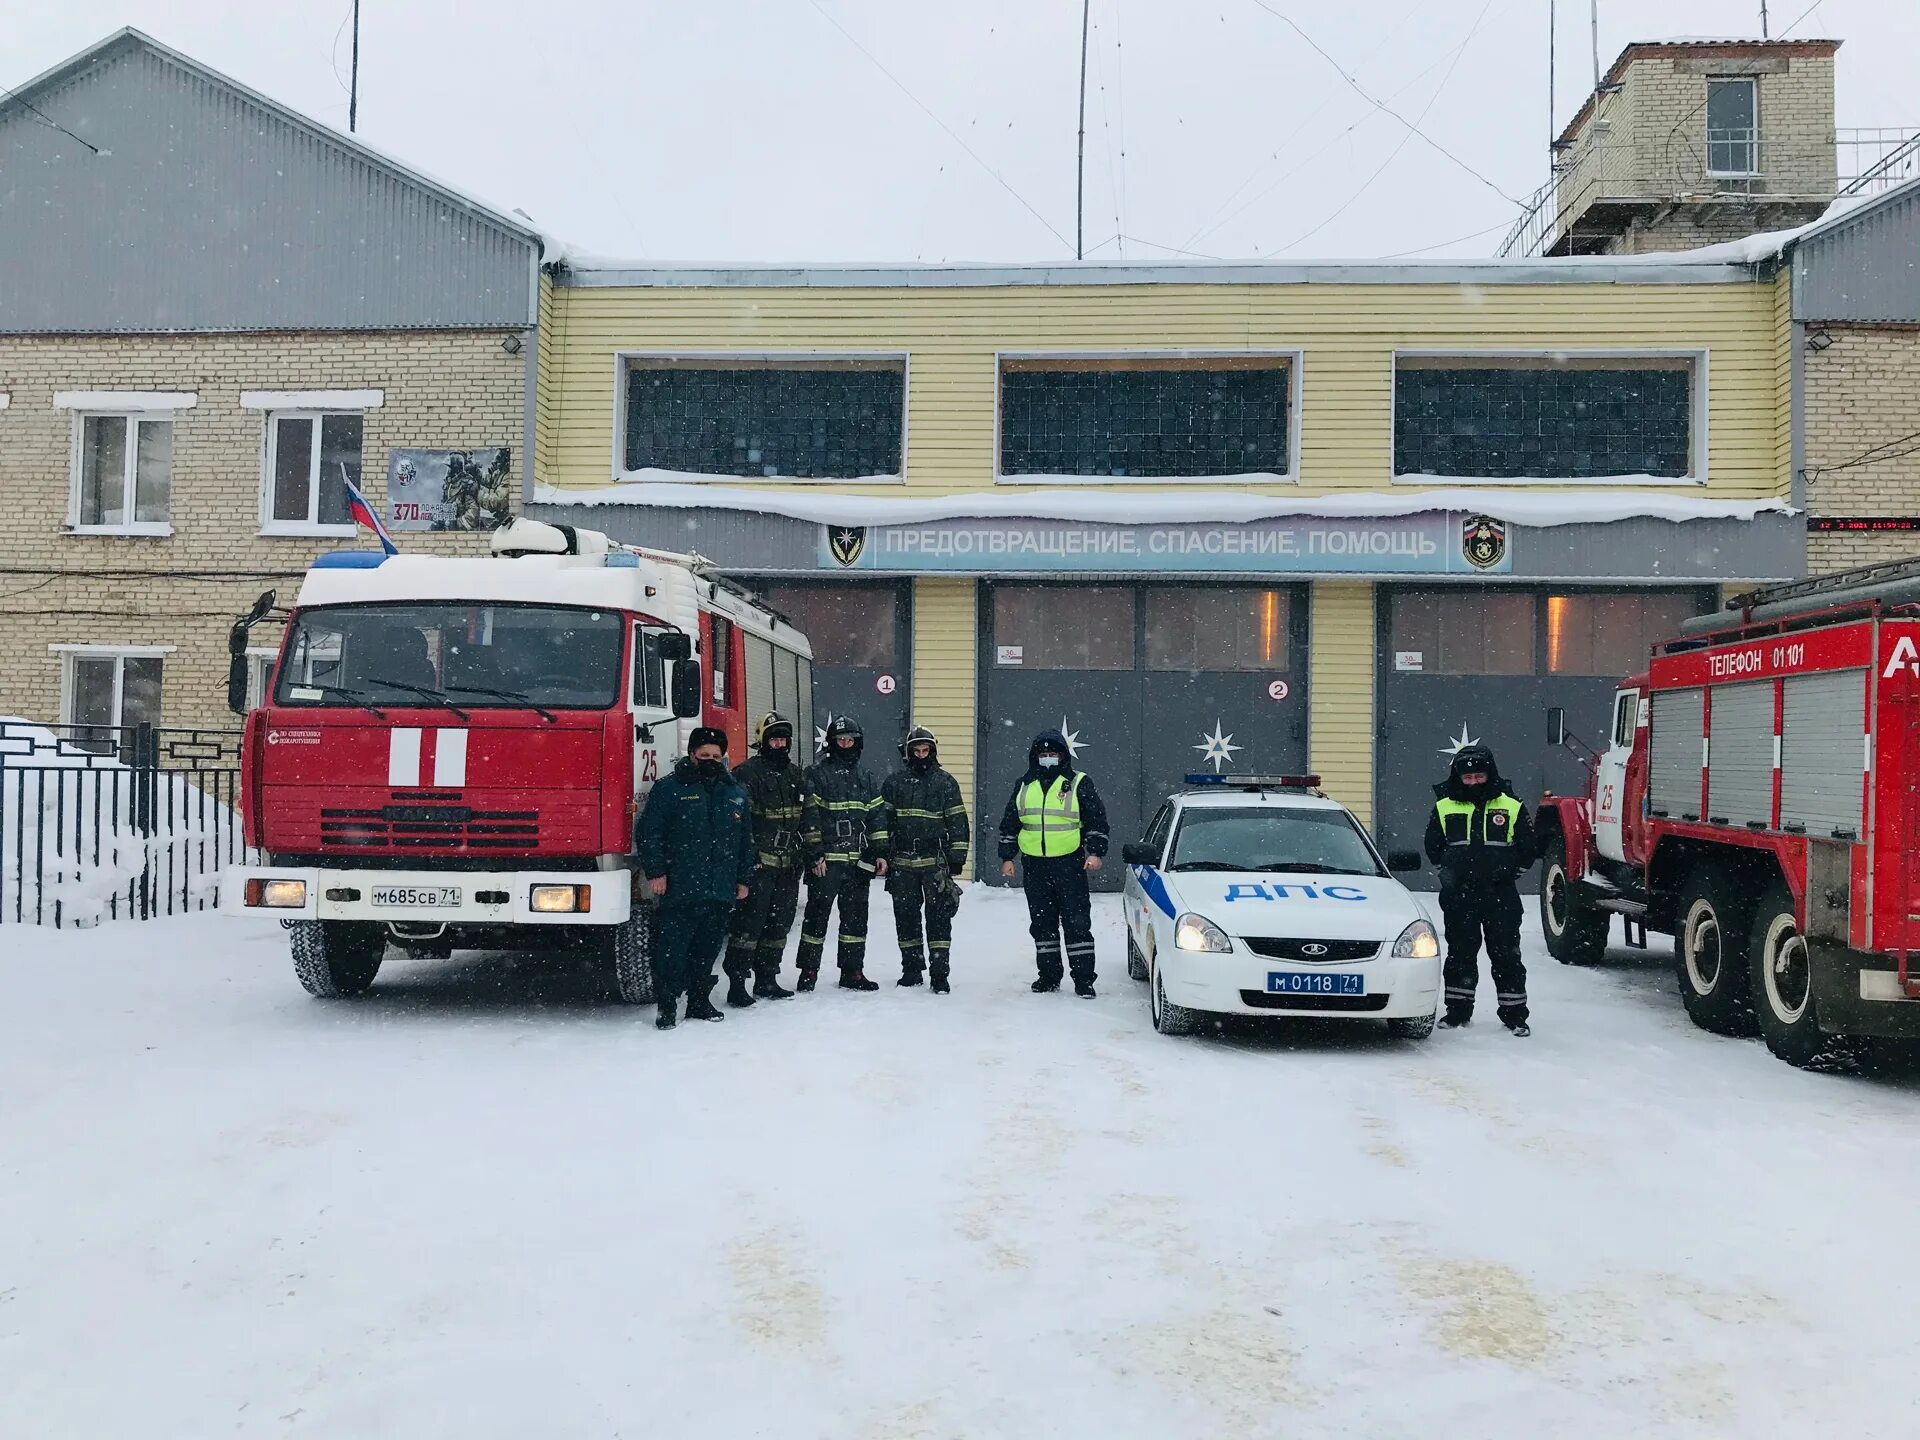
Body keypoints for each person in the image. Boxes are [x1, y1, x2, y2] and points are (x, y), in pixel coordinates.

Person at [635, 727, 755, 1031]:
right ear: (692, 755)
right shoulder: (670, 789)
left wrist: (743, 879)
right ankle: (668, 1004)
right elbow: (650, 833)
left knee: (707, 950)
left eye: (716, 756)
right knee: (672, 950)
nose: (711, 760)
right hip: (681, 887)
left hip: (719, 889)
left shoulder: (735, 793)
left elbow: (745, 842)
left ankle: (700, 1000)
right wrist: (656, 872)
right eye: (704, 755)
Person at [1423, 742, 1537, 1037]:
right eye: (1467, 778)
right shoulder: (1444, 805)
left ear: (1490, 775)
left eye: (1479, 777)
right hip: (1460, 895)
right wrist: (1450, 873)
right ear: (1458, 777)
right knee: (1460, 954)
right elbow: (1433, 847)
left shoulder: (1511, 805)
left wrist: (1510, 874)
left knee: (1506, 955)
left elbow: (1528, 848)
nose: (1473, 783)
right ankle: (1458, 1012)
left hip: (1501, 895)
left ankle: (1514, 1016)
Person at [998, 729, 1109, 998]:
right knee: (1042, 923)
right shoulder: (1024, 784)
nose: (1048, 758)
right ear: (1035, 756)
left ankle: (1084, 980)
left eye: (1053, 754)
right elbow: (1010, 822)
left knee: (1077, 923)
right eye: (1043, 754)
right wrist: (1006, 857)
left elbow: (1096, 821)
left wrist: (1095, 852)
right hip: (1035, 866)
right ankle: (1048, 977)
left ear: (1063, 756)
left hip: (1070, 864)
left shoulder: (1079, 782)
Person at [796, 716, 890, 991]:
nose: (845, 745)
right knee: (816, 917)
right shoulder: (817, 774)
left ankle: (852, 971)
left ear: (857, 743)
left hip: (858, 861)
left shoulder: (867, 777)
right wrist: (814, 855)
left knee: (856, 918)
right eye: (840, 740)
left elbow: (877, 818)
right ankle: (808, 970)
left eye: (850, 740)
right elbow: (809, 817)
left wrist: (880, 852)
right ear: (832, 743)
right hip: (827, 861)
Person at [722, 712, 807, 1007]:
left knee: (779, 925)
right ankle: (737, 983)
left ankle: (767, 978)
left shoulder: (796, 775)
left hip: (788, 866)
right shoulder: (747, 773)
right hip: (760, 866)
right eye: (773, 738)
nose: (779, 743)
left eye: (783, 738)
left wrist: (812, 853)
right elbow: (738, 825)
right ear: (763, 741)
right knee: (748, 926)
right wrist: (746, 863)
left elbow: (809, 819)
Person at [880, 726, 970, 993]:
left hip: (935, 864)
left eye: (925, 750)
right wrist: (882, 853)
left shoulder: (946, 782)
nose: (921, 755)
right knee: (905, 918)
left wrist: (957, 858)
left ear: (932, 751)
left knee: (939, 918)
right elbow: (883, 822)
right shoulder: (894, 783)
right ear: (909, 753)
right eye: (916, 751)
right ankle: (911, 970)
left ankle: (940, 973)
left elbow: (958, 823)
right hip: (903, 863)